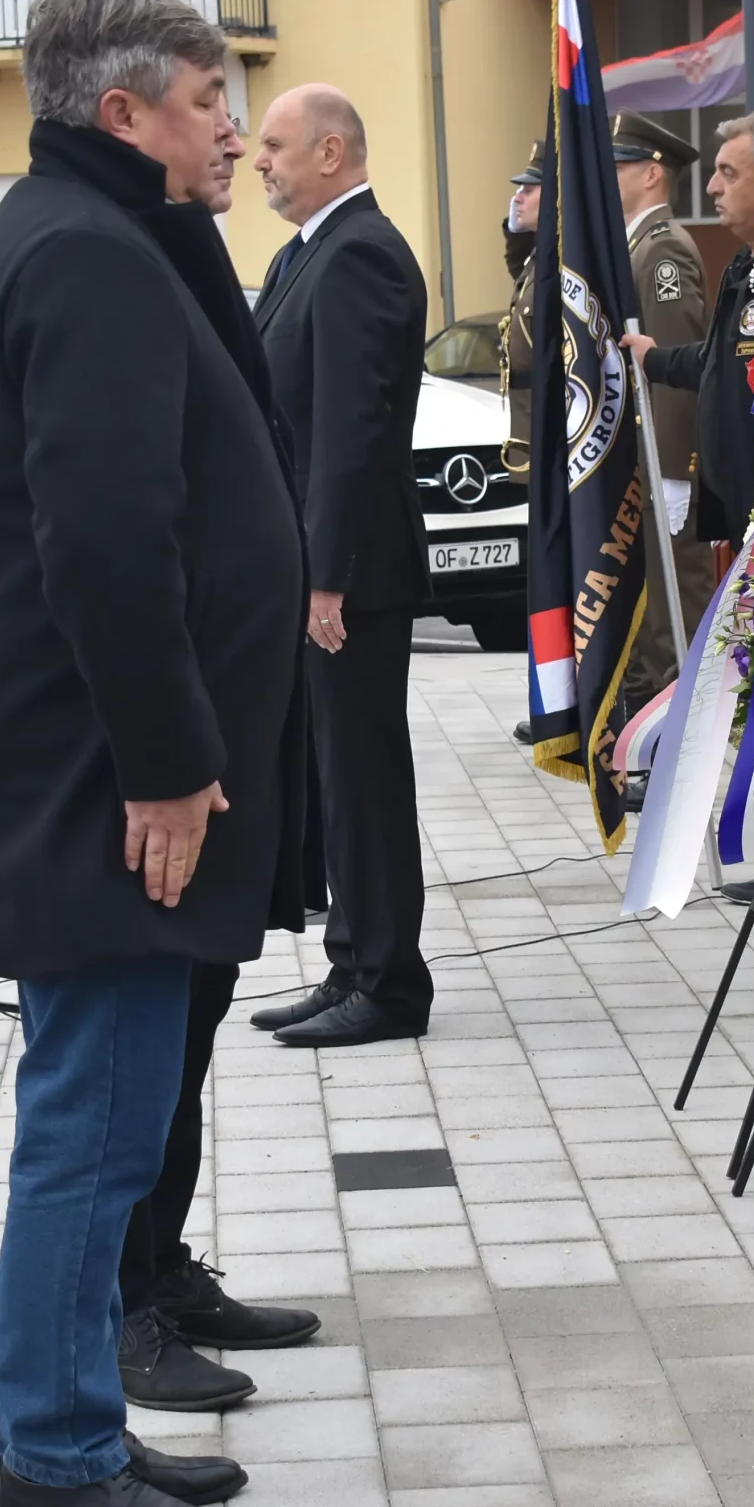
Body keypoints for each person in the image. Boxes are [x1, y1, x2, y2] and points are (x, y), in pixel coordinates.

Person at [0, 0, 307, 1507]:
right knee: (91, 1128)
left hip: (99, 766)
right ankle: (55, 1459)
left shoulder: (96, 231)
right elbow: (101, 540)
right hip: (103, 781)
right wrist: (165, 764)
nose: (232, 129)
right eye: (211, 101)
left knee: (111, 1118)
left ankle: (73, 1407)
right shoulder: (84, 255)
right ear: (123, 111)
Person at [244, 84, 433, 1051]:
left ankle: (392, 981)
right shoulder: (305, 251)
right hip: (319, 560)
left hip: (351, 569)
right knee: (334, 771)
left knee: (362, 775)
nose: (257, 160)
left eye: (273, 145)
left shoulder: (359, 254)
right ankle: (354, 962)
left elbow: (353, 434)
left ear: (330, 150)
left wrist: (329, 576)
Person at [622, 109, 754, 551]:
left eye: (728, 174)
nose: (712, 187)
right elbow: (718, 360)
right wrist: (654, 359)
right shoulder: (743, 264)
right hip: (738, 506)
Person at [611, 112, 714, 713]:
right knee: (651, 604)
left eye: (619, 165)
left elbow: (676, 366)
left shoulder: (663, 249)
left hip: (664, 456)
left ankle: (690, 725)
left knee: (676, 598)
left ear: (652, 173)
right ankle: (656, 727)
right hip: (641, 455)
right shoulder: (636, 245)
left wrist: (676, 469)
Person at [503, 145, 544, 749]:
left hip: (556, 448)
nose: (516, 197)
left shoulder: (560, 263)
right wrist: (514, 225)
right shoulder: (537, 261)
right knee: (539, 577)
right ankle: (549, 696)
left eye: (529, 190)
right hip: (532, 448)